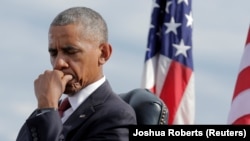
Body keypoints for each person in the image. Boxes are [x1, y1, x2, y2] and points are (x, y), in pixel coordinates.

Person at [16, 6, 137, 141]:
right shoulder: (44, 113)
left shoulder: (117, 116)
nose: (58, 63)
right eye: (53, 53)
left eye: (71, 51)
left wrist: (47, 108)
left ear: (103, 53)